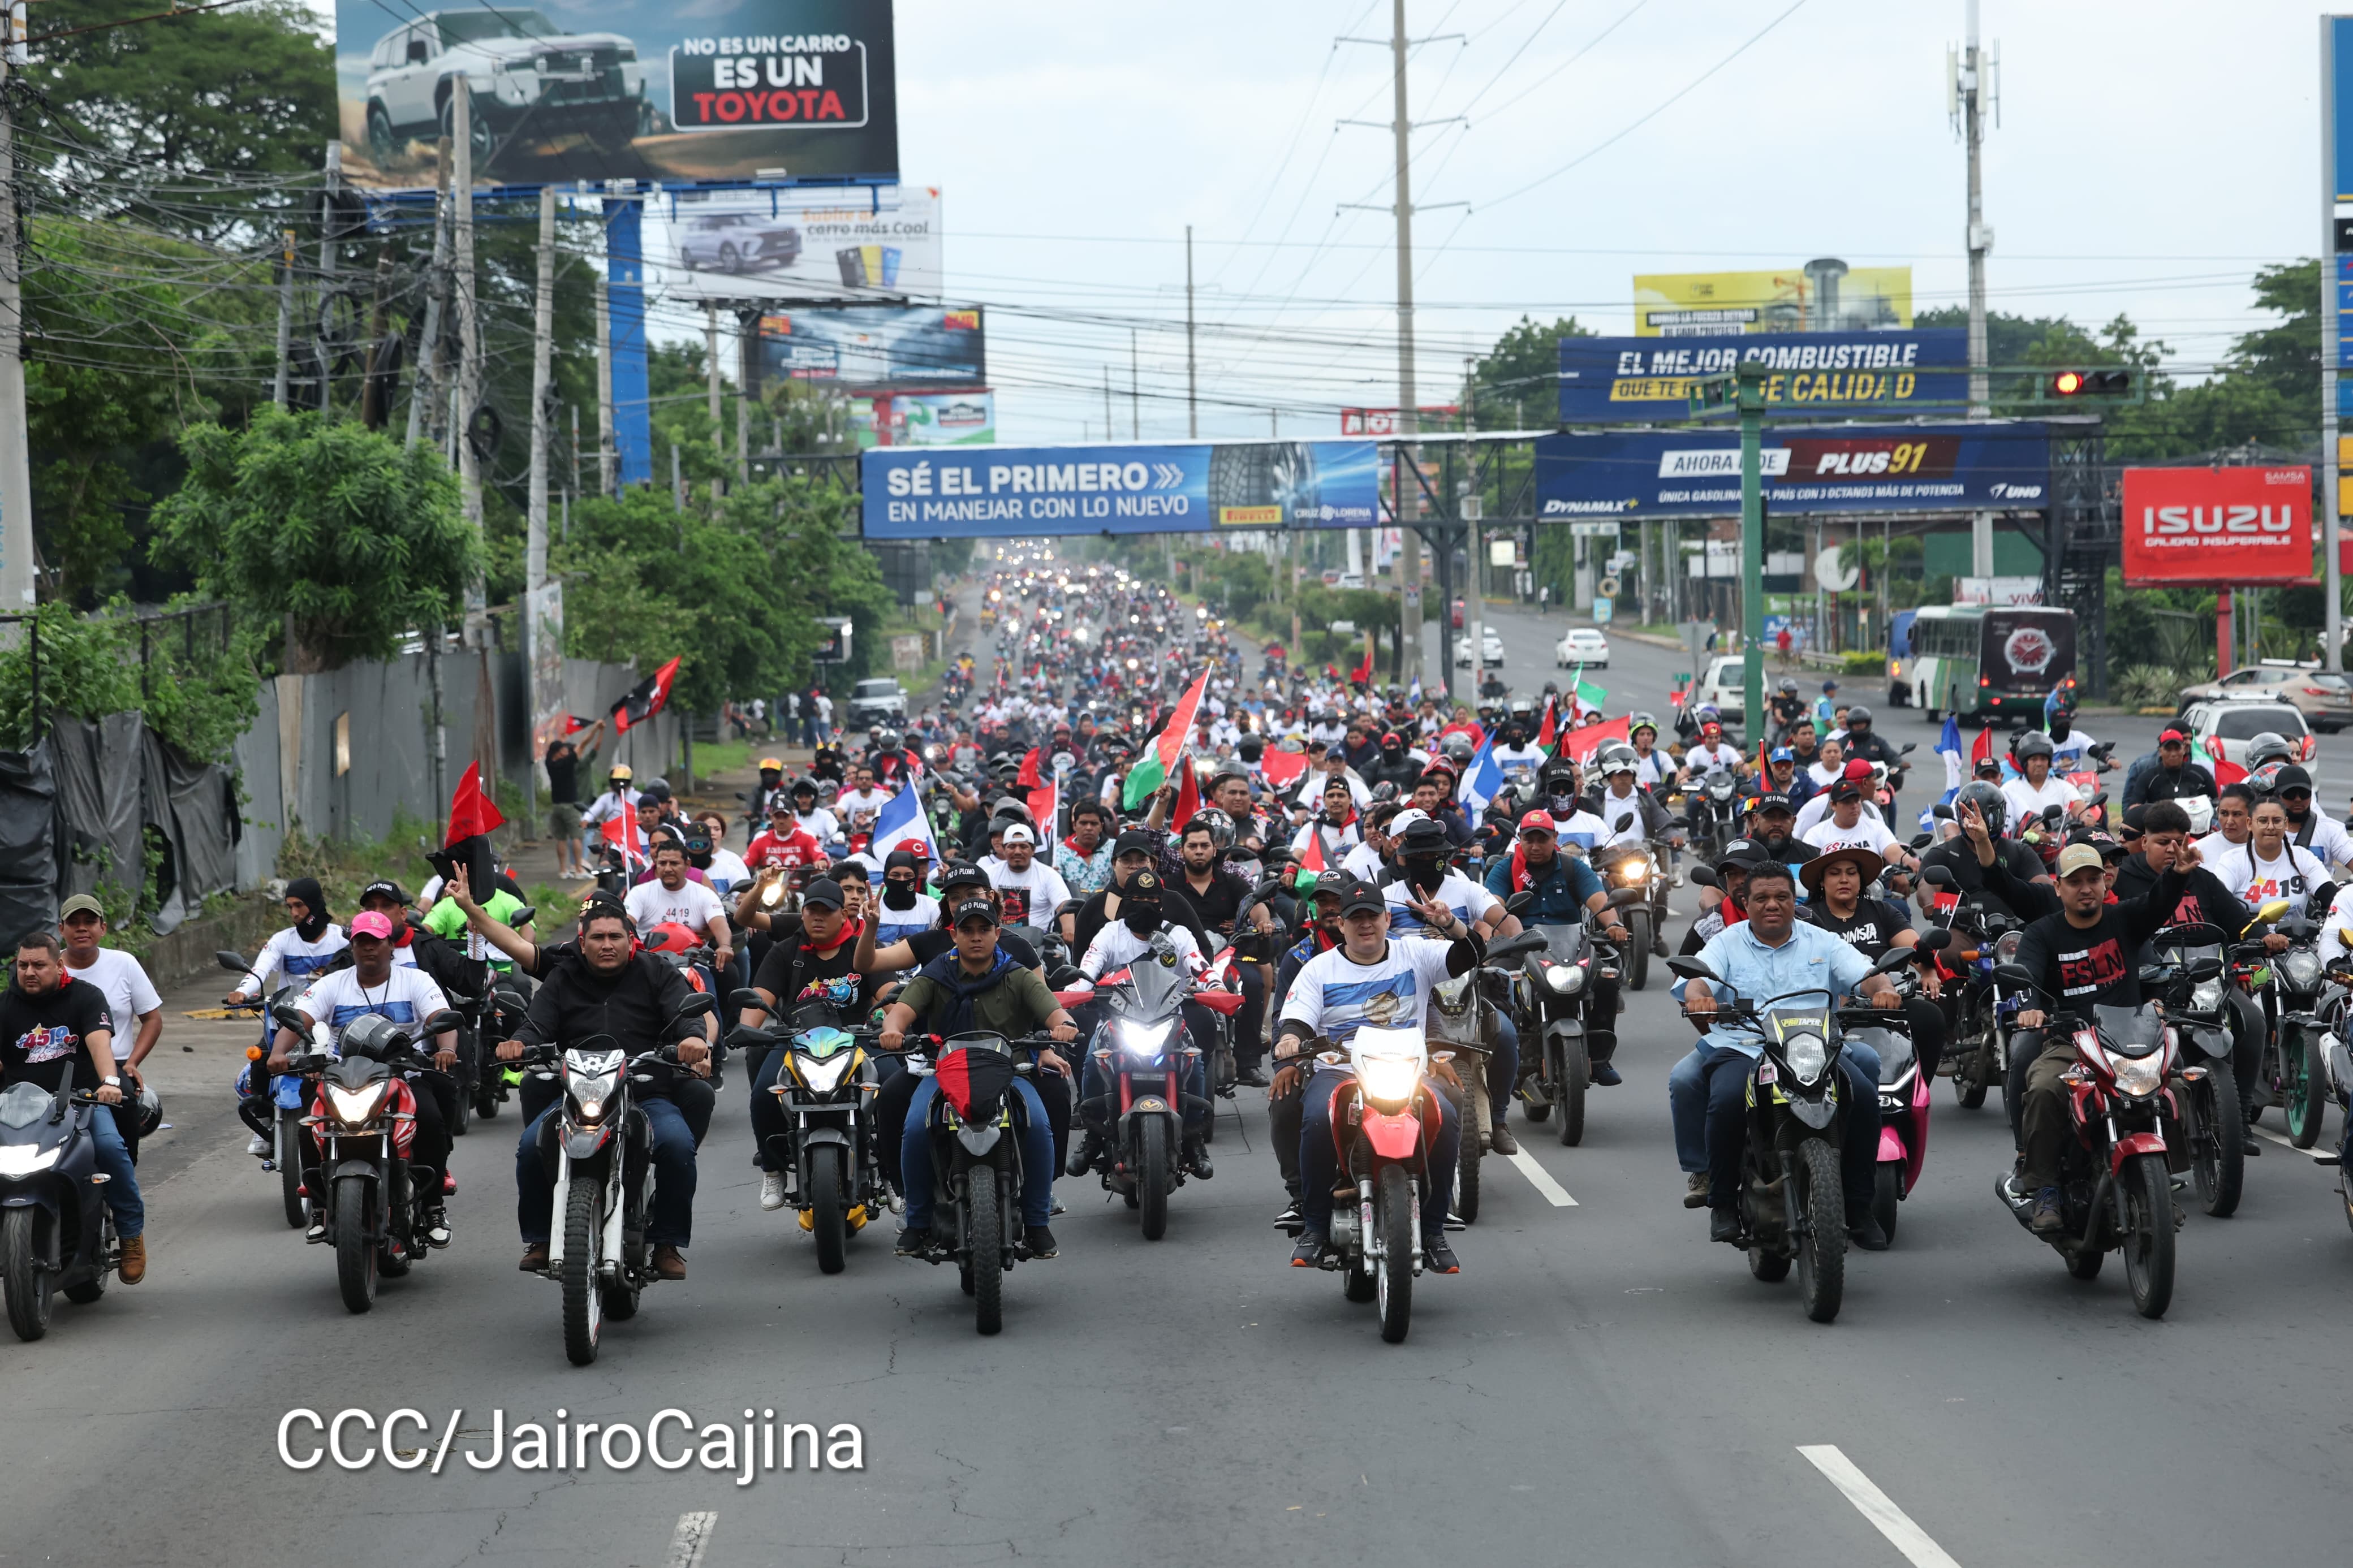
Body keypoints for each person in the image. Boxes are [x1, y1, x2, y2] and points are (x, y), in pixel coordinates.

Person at [1671, 861, 1898, 1249]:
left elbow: (1866, 972)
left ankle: (1860, 1206)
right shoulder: (1726, 942)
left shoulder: (1822, 941)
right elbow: (1698, 981)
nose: (1772, 905)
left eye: (1781, 897)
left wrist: (1884, 989)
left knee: (1862, 1096)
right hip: (1745, 1046)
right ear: (1746, 903)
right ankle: (1722, 1203)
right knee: (1727, 1099)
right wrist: (1701, 998)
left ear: (1795, 901)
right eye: (1761, 898)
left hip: (1816, 1047)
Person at [1272, 878, 1483, 1273]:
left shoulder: (1416, 953)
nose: (1365, 924)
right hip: (1341, 1071)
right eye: (1356, 918)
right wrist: (1289, 1040)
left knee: (1448, 1115)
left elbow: (1472, 954)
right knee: (1316, 1117)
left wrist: (1451, 924)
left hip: (1409, 1070)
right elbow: (1296, 1020)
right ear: (1342, 924)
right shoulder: (1318, 969)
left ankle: (1434, 1231)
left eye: (1372, 916)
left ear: (1387, 919)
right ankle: (1315, 1226)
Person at [498, 901, 712, 1278]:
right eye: (598, 937)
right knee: (532, 1146)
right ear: (583, 943)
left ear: (631, 941)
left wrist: (693, 1039)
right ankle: (542, 1238)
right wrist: (518, 1043)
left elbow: (685, 1014)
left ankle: (667, 1241)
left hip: (644, 1092)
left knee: (678, 1147)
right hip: (576, 1095)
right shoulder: (563, 977)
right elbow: (536, 1024)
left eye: (616, 936)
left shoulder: (657, 971)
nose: (607, 944)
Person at [2004, 841, 2196, 1232]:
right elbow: (2026, 978)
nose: (2086, 888)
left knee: (2175, 1087)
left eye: (2093, 879)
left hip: (2130, 1041)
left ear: (2106, 882)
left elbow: (2158, 902)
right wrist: (2030, 1008)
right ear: (2058, 887)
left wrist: (2177, 875)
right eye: (2075, 882)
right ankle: (2044, 1189)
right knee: (2044, 1088)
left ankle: (2163, 1181)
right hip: (2071, 1043)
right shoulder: (2041, 932)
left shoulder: (2125, 919)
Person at [876, 895, 1077, 1259]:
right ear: (954, 935)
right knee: (915, 1128)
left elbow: (1054, 1011)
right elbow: (901, 1011)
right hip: (943, 1074)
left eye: (984, 929)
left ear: (998, 933)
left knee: (1039, 1125)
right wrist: (892, 1029)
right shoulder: (935, 973)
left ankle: (1037, 1223)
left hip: (1010, 1074)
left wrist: (1064, 1025)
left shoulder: (1017, 974)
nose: (976, 937)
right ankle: (917, 1222)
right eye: (967, 930)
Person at [269, 911, 460, 1247]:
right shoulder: (332, 983)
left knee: (430, 1118)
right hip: (342, 1079)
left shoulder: (416, 980)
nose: (369, 948)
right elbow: (299, 1019)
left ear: (391, 946)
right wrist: (278, 1052)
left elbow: (441, 1017)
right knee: (309, 1124)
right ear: (352, 947)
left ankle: (433, 1207)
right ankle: (320, 1208)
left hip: (404, 1074)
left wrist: (445, 1049)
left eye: (376, 941)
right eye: (361, 942)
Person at [3, 932, 143, 1282]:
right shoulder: (5, 1005)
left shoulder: (86, 997)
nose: (29, 972)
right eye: (23, 965)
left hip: (81, 1102)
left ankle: (130, 1234)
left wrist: (109, 1083)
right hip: (17, 1108)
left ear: (59, 965)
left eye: (39, 965)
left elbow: (100, 1046)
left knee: (109, 1148)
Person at [739, 877, 878, 1212]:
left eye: (826, 911)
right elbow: (760, 999)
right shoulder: (784, 951)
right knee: (763, 1094)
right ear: (802, 914)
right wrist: (746, 1029)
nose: (818, 917)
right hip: (796, 1044)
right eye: (811, 910)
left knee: (891, 1083)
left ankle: (890, 1170)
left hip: (856, 1042)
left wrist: (892, 1021)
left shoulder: (861, 949)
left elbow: (888, 994)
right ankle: (773, 1169)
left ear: (843, 915)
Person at [1066, 870, 1214, 1179]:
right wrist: (1072, 993)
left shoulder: (1179, 935)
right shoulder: (1109, 934)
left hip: (1170, 1022)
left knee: (1195, 1063)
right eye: (1137, 898)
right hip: (1117, 1023)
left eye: (1152, 899)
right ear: (1125, 902)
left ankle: (1194, 1139)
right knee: (1093, 1060)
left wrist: (1216, 987)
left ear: (1162, 903)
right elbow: (1087, 970)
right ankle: (1094, 1135)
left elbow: (1201, 967)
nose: (1145, 904)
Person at [1486, 809, 1628, 1088]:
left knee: (1607, 980)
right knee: (1497, 983)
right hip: (1521, 946)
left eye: (1542, 839)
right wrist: (1495, 931)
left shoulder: (1573, 868)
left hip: (1571, 946)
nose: (1535, 846)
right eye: (1529, 840)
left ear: (1555, 838)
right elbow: (1493, 907)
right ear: (1520, 840)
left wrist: (1614, 924)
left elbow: (1599, 901)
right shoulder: (1505, 869)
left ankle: (1599, 1058)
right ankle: (1504, 1057)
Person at [1799, 845, 1946, 1081]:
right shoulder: (1806, 918)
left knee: (1931, 1017)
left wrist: (1928, 972)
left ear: (1861, 880)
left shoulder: (1883, 912)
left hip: (1885, 1003)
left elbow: (1913, 947)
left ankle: (1916, 1091)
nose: (1844, 879)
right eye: (1835, 873)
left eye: (1851, 873)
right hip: (1829, 1009)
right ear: (1822, 882)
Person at [225, 876, 348, 1156]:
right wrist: (242, 991)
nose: (294, 913)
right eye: (289, 907)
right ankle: (264, 1121)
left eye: (299, 906)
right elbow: (260, 970)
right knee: (261, 1060)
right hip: (291, 1020)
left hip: (331, 1021)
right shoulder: (282, 940)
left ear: (315, 905)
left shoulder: (343, 937)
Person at [58, 895, 162, 1167]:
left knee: (125, 1103)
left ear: (103, 928)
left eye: (90, 922)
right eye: (74, 922)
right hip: (59, 1062)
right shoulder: (48, 969)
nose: (82, 928)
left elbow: (152, 1019)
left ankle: (125, 1169)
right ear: (61, 929)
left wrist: (132, 1063)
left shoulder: (124, 964)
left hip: (114, 1065)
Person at [1173, 817, 1275, 1086]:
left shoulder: (1231, 882)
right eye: (1192, 846)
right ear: (1182, 850)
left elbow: (1254, 905)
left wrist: (1263, 921)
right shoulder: (1169, 886)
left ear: (1214, 849)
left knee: (1252, 982)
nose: (1199, 851)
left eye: (1204, 845)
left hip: (1227, 956)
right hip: (1180, 960)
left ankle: (1249, 1063)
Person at [624, 840, 735, 971]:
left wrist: (725, 946)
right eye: (662, 863)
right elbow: (625, 924)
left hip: (694, 965)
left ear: (687, 865)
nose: (668, 869)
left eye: (674, 863)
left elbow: (720, 925)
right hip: (650, 965)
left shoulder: (704, 894)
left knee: (729, 971)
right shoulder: (640, 893)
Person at [986, 822, 1074, 930]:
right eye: (1012, 847)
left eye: (1023, 847)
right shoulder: (990, 874)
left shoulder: (1049, 875)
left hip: (1040, 939)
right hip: (999, 937)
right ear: (1004, 850)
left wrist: (1069, 929)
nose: (1017, 852)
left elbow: (1064, 905)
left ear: (1033, 850)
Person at [2001, 733, 2082, 827]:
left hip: (2058, 836)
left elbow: (2078, 805)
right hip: (2022, 836)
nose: (2039, 764)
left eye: (2043, 759)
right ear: (2025, 763)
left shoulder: (2064, 787)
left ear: (2049, 763)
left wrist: (2085, 816)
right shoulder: (2009, 788)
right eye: (2034, 759)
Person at [2121, 727, 2216, 808]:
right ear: (2160, 751)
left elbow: (2217, 800)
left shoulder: (2200, 773)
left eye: (2177, 749)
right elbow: (2134, 807)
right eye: (2168, 749)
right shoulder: (2147, 778)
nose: (2173, 754)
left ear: (2184, 749)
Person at [1054, 798, 1115, 898]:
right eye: (1083, 823)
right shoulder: (1060, 852)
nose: (1089, 828)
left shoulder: (1113, 849)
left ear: (1101, 826)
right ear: (1074, 825)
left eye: (1094, 824)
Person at [580, 762, 640, 836]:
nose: (619, 784)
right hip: (611, 835)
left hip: (632, 835)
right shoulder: (606, 797)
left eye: (622, 781)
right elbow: (593, 811)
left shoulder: (637, 796)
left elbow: (643, 813)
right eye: (616, 781)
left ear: (628, 782)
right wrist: (586, 820)